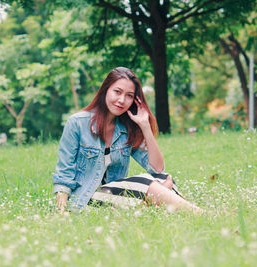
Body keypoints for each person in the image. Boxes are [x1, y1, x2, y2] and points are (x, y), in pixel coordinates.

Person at [52, 67, 202, 214]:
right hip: (85, 198)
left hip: (114, 195)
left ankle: (153, 203)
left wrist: (145, 126)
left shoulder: (127, 129)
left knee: (161, 178)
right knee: (147, 182)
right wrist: (61, 212)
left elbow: (157, 169)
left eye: (129, 95)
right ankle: (198, 213)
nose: (122, 100)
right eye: (117, 92)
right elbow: (64, 174)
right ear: (105, 90)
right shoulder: (77, 123)